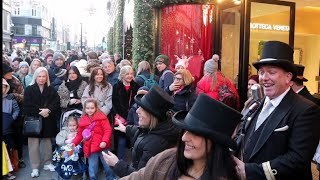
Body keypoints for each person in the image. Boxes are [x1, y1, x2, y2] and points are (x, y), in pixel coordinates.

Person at [233, 41, 320, 180]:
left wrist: (250, 171)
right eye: (261, 72)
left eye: (271, 72)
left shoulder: (306, 110)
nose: (264, 78)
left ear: (288, 77)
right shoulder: (256, 103)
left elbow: (297, 159)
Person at [120, 93, 243, 179]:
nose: (184, 138)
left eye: (195, 133)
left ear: (216, 141)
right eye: (185, 130)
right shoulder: (167, 160)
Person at [103, 86, 180, 178]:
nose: (137, 110)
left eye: (142, 109)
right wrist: (126, 129)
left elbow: (141, 176)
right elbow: (142, 132)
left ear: (151, 115)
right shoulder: (159, 126)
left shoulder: (154, 145)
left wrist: (117, 164)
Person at [23, 67, 61, 177]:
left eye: (44, 76)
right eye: (39, 76)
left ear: (47, 77)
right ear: (35, 77)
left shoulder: (51, 89)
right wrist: (40, 112)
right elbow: (26, 105)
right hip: (34, 120)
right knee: (33, 145)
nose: (41, 78)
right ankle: (35, 167)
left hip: (48, 120)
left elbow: (56, 102)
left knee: (47, 143)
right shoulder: (29, 89)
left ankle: (47, 163)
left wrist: (48, 110)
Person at [70, 98, 116, 180]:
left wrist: (104, 141)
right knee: (92, 167)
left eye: (92, 108)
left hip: (103, 146)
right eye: (88, 108)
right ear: (84, 109)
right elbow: (79, 134)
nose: (90, 110)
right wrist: (74, 143)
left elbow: (107, 130)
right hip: (91, 147)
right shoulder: (83, 120)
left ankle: (111, 178)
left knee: (107, 165)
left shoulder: (102, 118)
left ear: (96, 108)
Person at [112, 65, 140, 160]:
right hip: (121, 118)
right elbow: (115, 104)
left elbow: (138, 102)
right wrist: (125, 115)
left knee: (134, 139)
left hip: (134, 117)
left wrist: (131, 115)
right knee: (121, 141)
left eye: (131, 73)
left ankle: (135, 162)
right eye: (127, 74)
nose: (130, 76)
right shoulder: (116, 87)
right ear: (122, 74)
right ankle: (121, 161)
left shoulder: (136, 86)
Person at [3, 78, 20, 180]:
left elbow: (16, 110)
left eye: (4, 86)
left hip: (7, 128)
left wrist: (10, 120)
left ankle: (9, 170)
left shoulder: (10, 99)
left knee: (9, 148)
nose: (2, 88)